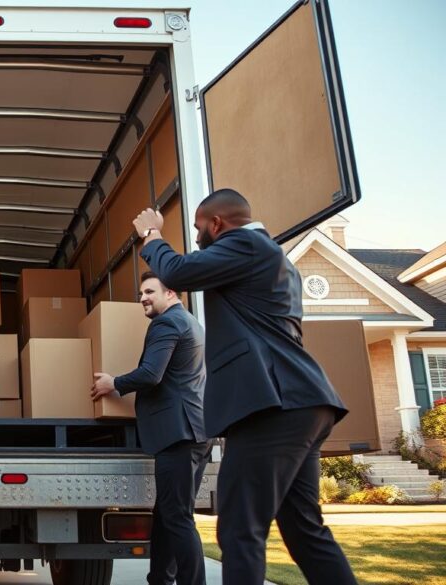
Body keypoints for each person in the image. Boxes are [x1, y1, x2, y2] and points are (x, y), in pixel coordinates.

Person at [132, 189, 356, 584]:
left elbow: (180, 272)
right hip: (302, 404)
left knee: (238, 529)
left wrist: (151, 236)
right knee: (304, 531)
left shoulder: (247, 244)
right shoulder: (275, 260)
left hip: (273, 408)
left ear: (217, 224)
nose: (198, 238)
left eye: (200, 229)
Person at [91, 271, 209, 585]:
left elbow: (151, 374)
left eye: (149, 291)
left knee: (178, 518)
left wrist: (113, 383)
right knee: (167, 515)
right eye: (141, 292)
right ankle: (160, 579)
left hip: (178, 434)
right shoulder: (190, 322)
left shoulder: (167, 323)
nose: (143, 297)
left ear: (171, 293)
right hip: (191, 432)